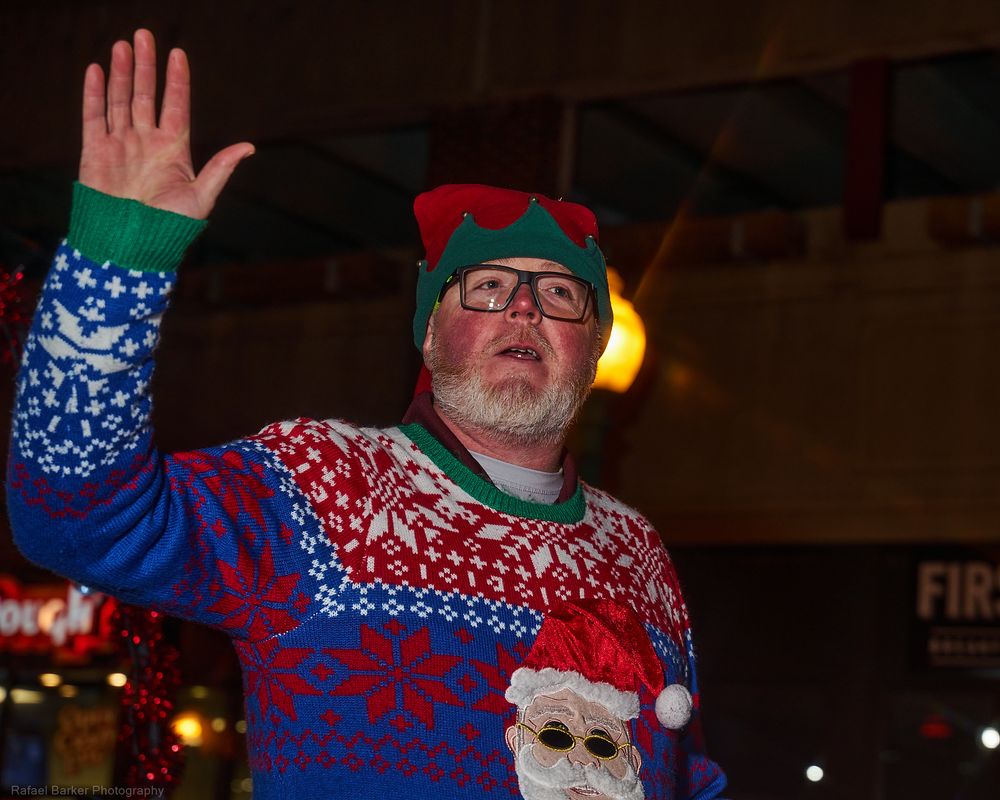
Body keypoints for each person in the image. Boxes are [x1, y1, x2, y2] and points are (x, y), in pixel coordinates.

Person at [7, 30, 725, 800]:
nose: (524, 307)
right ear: (430, 333)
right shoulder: (326, 483)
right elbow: (77, 515)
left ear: (592, 347)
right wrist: (118, 262)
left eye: (559, 293)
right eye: (487, 286)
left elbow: (689, 778)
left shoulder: (638, 554)